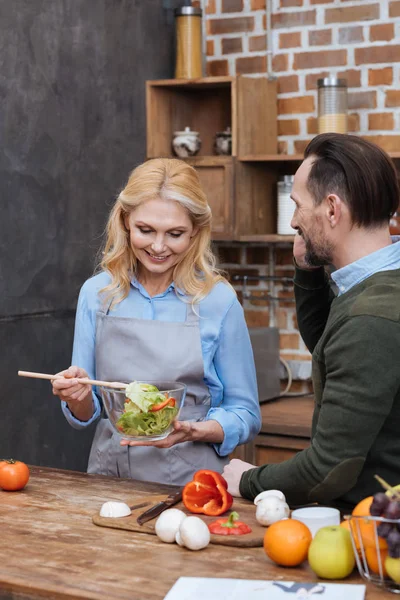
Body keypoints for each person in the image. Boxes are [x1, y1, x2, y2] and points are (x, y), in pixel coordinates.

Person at [52, 158, 261, 485]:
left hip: (192, 481)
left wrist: (193, 430)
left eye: (175, 234)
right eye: (145, 230)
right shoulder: (97, 294)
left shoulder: (218, 301)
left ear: (195, 232)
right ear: (125, 222)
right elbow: (87, 410)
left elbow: (246, 414)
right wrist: (76, 397)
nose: (159, 247)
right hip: (109, 477)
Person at [223, 133, 400, 513]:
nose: (292, 221)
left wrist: (248, 479)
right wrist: (307, 265)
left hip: (374, 530)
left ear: (332, 209)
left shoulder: (372, 316)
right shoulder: (378, 289)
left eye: (299, 206)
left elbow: (328, 470)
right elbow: (329, 342)